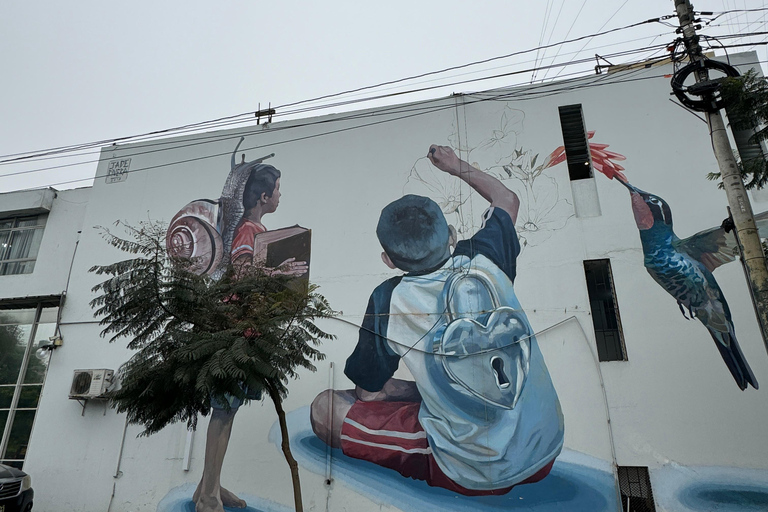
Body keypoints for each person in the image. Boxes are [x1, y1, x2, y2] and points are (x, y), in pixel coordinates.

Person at [310, 145, 564, 495]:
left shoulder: (388, 300)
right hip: (546, 445)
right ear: (451, 236)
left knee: (326, 408)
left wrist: (397, 390)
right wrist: (455, 166)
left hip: (474, 470)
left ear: (388, 260)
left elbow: (368, 395)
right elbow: (507, 199)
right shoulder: (487, 256)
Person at [193, 163, 304, 512]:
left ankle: (207, 486)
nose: (281, 195)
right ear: (263, 196)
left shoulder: (253, 228)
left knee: (227, 412)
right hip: (235, 334)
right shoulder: (249, 230)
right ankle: (209, 496)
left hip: (243, 330)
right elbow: (241, 276)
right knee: (224, 412)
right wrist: (280, 271)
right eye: (278, 189)